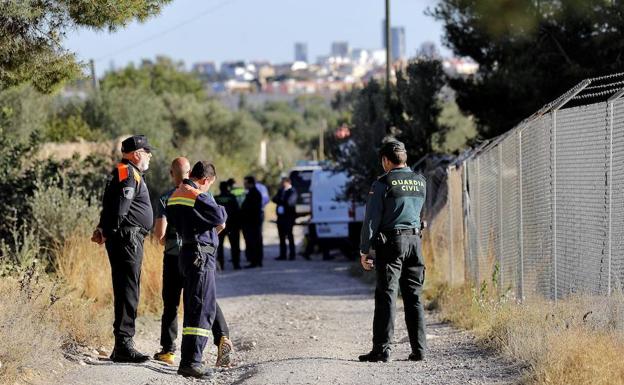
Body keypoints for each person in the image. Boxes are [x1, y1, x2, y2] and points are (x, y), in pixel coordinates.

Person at [153, 157, 234, 368]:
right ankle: (217, 340)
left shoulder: (169, 197)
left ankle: (168, 350)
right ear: (204, 178)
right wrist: (206, 233)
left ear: (172, 174)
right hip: (199, 254)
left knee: (175, 304)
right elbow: (220, 219)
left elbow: (159, 235)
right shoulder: (199, 195)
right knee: (203, 302)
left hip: (177, 255)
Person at [358, 139, 427, 363]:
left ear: (386, 160)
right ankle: (419, 350)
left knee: (387, 295)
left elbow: (371, 219)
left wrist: (364, 250)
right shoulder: (420, 181)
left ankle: (381, 350)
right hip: (415, 242)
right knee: (414, 296)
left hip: (391, 244)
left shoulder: (383, 184)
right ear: (404, 158)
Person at [91, 135, 154, 363]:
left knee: (126, 289)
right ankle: (124, 345)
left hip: (125, 237)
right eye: (147, 152)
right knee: (128, 290)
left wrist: (103, 228)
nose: (150, 156)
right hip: (128, 238)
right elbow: (120, 207)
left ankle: (121, 345)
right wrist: (109, 229)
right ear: (137, 154)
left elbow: (110, 203)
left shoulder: (123, 171)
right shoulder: (129, 173)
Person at [215, 181, 242, 270]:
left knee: (220, 246)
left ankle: (221, 265)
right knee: (235, 246)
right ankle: (236, 264)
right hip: (232, 225)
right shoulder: (232, 198)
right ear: (228, 188)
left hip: (220, 226)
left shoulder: (216, 198)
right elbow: (237, 211)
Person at [272, 177, 298, 260]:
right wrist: (281, 200)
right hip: (281, 217)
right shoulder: (281, 191)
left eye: (283, 182)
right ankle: (282, 254)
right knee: (281, 237)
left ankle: (292, 254)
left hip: (289, 217)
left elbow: (289, 202)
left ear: (287, 182)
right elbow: (274, 199)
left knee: (289, 236)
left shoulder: (292, 191)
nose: (282, 184)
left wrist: (281, 200)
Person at [240, 176, 263, 268]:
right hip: (253, 222)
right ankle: (256, 260)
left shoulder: (254, 194)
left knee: (253, 242)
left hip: (252, 223)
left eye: (246, 183)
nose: (244, 185)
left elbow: (251, 209)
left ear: (250, 183)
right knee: (255, 241)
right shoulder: (252, 193)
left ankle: (255, 261)